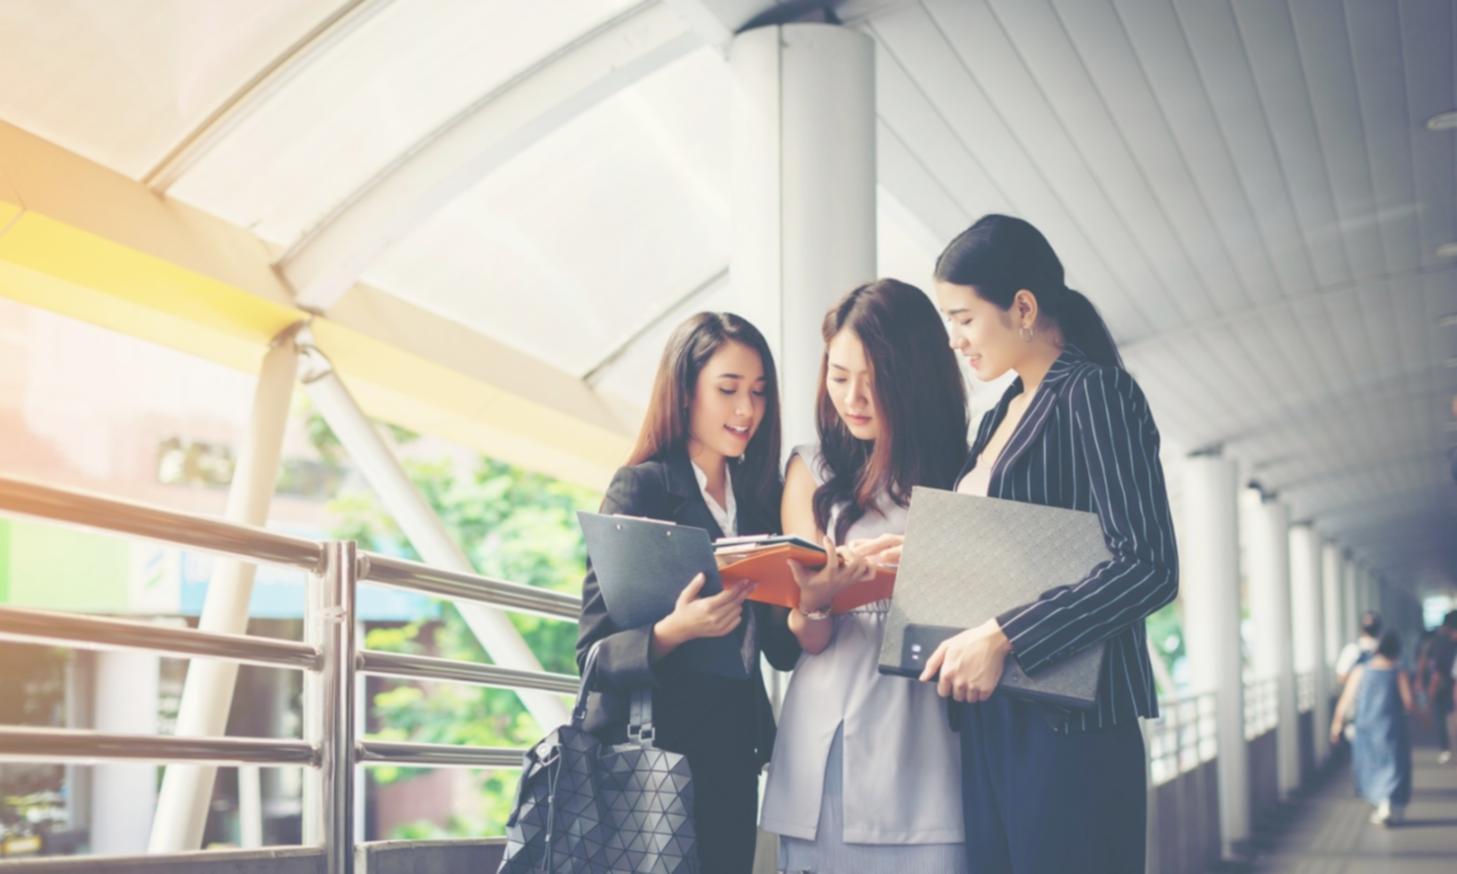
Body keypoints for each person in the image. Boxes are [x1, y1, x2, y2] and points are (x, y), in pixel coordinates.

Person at [860, 215, 1179, 873]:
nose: (952, 340)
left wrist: (1003, 636)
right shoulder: (1000, 413)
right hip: (991, 721)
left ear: (1023, 308)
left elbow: (1147, 565)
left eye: (964, 319)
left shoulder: (1095, 393)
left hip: (1070, 731)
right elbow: (1012, 554)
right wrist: (923, 555)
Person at [575, 312, 800, 874]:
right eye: (727, 390)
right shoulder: (644, 487)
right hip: (656, 758)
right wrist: (676, 631)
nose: (746, 410)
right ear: (684, 393)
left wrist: (813, 595)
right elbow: (593, 653)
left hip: (733, 758)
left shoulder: (760, 500)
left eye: (758, 392)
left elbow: (781, 651)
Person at [759, 279, 971, 874]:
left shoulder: (967, 471)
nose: (853, 397)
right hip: (828, 737)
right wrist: (819, 602)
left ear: (916, 380)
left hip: (930, 737)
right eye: (839, 375)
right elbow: (811, 636)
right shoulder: (812, 469)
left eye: (874, 381)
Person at [1330, 630, 1414, 825]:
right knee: (1394, 764)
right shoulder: (1398, 671)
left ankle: (1381, 804)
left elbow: (1346, 699)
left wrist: (1336, 723)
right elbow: (1408, 701)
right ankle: (1391, 802)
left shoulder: (1361, 671)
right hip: (1393, 725)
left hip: (1366, 726)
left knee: (1371, 763)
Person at [1429, 612, 1457, 765]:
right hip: (1448, 684)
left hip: (1444, 684)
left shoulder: (1440, 642)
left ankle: (1445, 748)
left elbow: (1436, 669)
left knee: (1443, 717)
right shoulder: (1444, 642)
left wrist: (1431, 691)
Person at [1336, 611, 1384, 688]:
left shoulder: (1351, 650)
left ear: (1361, 629)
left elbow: (1341, 678)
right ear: (1379, 630)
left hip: (1357, 697)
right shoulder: (1385, 651)